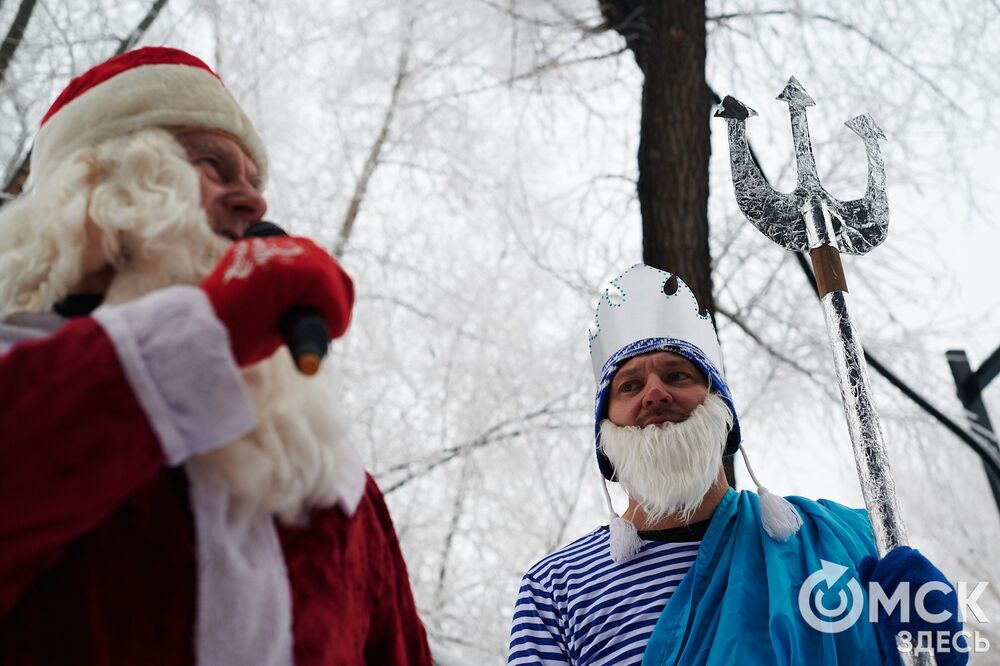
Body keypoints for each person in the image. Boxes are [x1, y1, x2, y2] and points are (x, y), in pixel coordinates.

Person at [0, 47, 432, 665]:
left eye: (257, 184)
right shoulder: (18, 369)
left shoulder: (335, 484)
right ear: (96, 187)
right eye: (213, 165)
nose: (254, 203)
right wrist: (205, 332)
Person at [508, 264, 967, 665]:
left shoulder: (848, 543)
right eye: (629, 387)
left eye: (676, 376)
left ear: (720, 408)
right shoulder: (554, 589)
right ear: (603, 431)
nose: (654, 395)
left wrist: (931, 646)